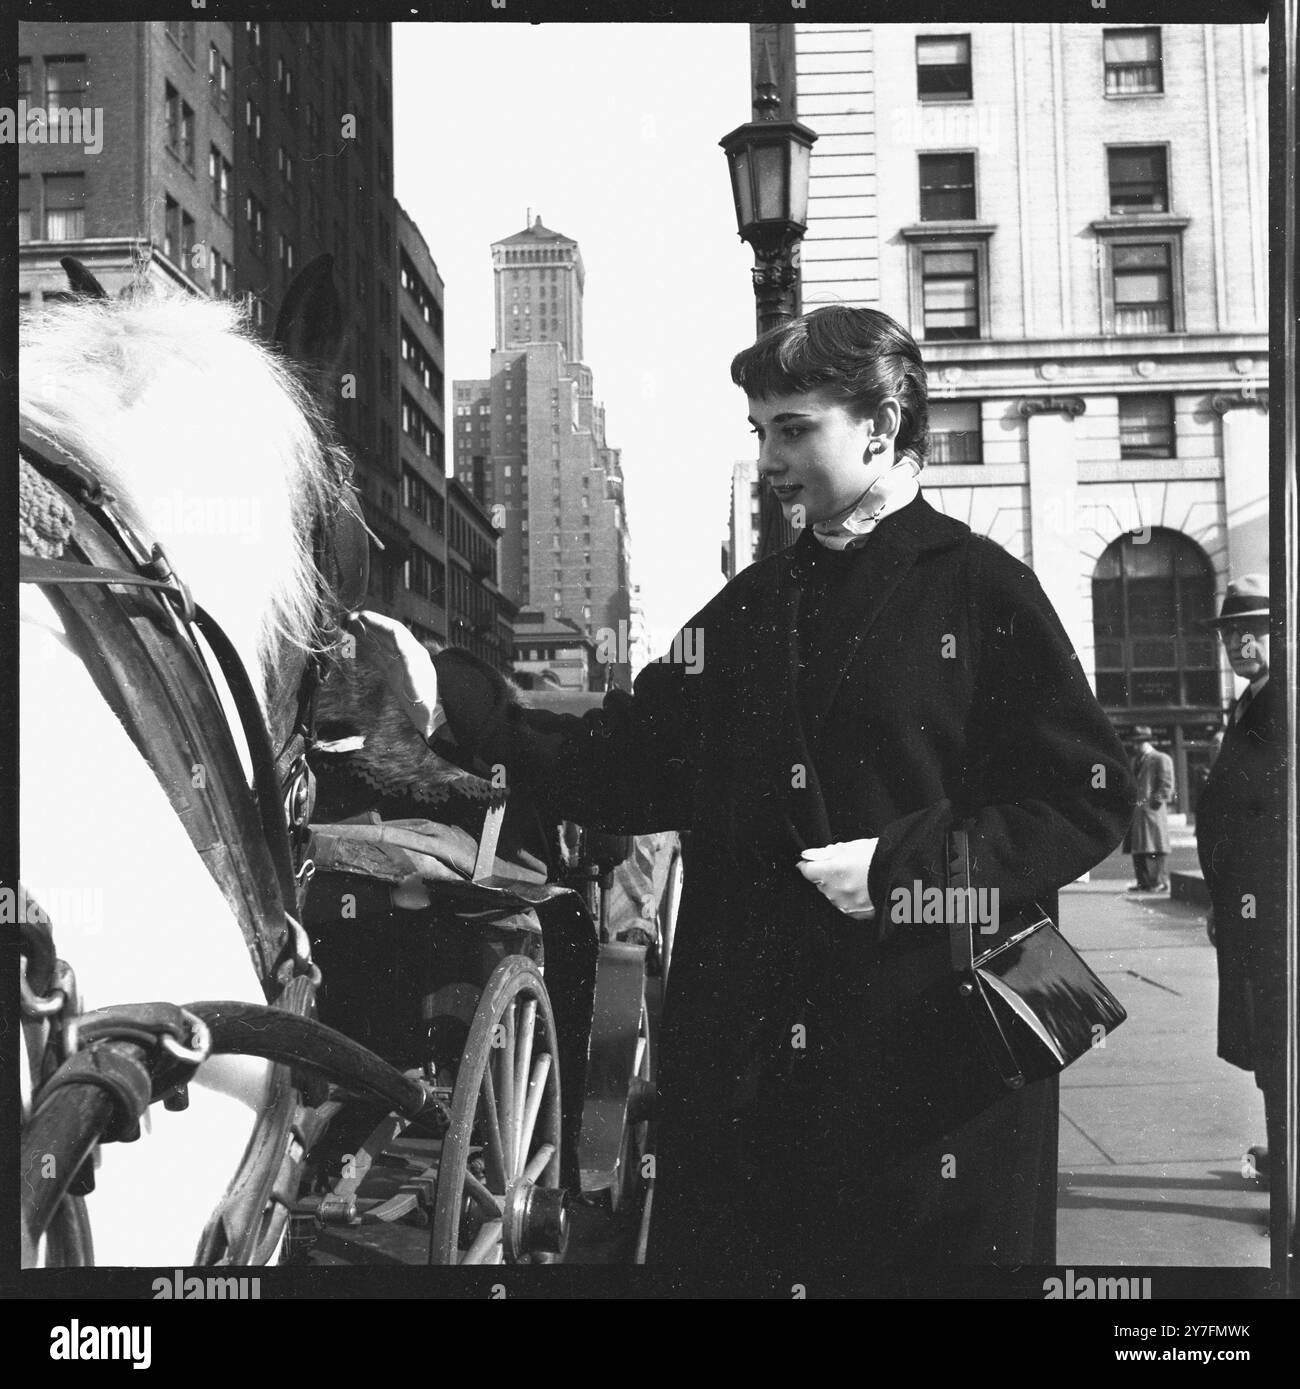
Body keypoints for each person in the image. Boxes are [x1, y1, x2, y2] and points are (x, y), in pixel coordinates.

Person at [429, 306, 1134, 1271]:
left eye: (795, 428)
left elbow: (1087, 796)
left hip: (932, 1076)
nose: (770, 458)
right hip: (750, 1080)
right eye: (761, 432)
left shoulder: (981, 587)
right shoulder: (750, 605)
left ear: (882, 425)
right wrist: (448, 704)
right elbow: (617, 760)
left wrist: (902, 867)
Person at [1196, 575, 1287, 1187]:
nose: (1239, 644)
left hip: (1274, 906)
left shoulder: (1281, 698)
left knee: (1280, 1036)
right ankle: (1284, 1154)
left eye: (1251, 632)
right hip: (1252, 903)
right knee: (1272, 1038)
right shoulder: (1256, 698)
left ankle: (1289, 1165)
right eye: (1231, 634)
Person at [1122, 726, 1175, 892]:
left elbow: (1166, 784)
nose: (1135, 746)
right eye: (1134, 743)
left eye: (1138, 743)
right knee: (1140, 848)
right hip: (1138, 812)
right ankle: (1144, 882)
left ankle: (1158, 882)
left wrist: (1154, 804)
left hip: (1152, 812)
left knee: (1155, 847)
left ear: (1147, 742)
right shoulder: (1135, 760)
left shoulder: (1160, 758)